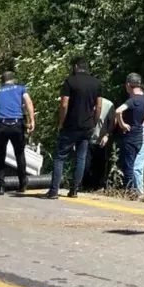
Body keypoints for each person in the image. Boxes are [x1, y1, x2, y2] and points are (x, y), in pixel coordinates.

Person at [45, 56, 102, 199]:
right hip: (87, 126)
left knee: (60, 157)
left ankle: (54, 191)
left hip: (70, 125)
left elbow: (64, 104)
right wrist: (94, 122)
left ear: (76, 67)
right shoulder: (96, 83)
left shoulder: (70, 81)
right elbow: (99, 106)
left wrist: (61, 122)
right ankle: (74, 190)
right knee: (81, 158)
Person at [0, 69, 35, 196]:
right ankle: (22, 184)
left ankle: (0, 187)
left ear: (2, 82)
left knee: (0, 156)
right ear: (13, 80)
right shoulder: (20, 88)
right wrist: (32, 120)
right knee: (19, 154)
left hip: (1, 126)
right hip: (17, 125)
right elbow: (28, 102)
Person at [111, 73, 144, 196]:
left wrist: (122, 124)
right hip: (139, 135)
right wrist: (143, 124)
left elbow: (118, 111)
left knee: (129, 163)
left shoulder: (132, 100)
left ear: (128, 85)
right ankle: (134, 191)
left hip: (129, 135)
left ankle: (129, 191)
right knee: (135, 163)